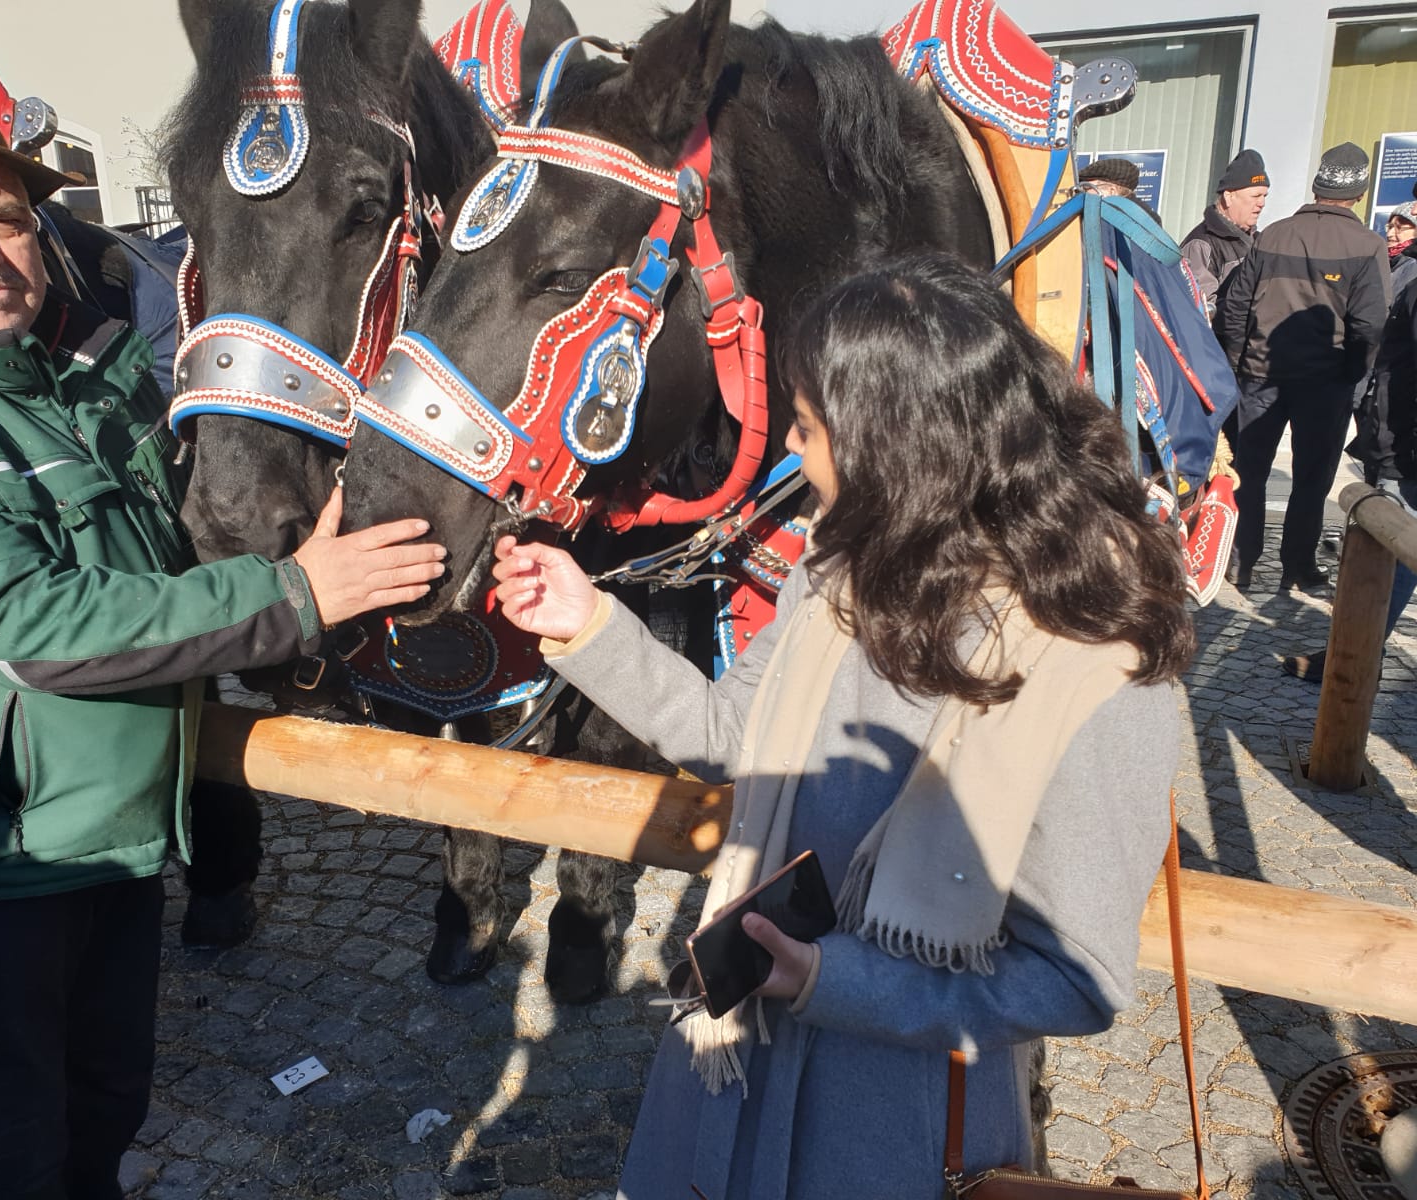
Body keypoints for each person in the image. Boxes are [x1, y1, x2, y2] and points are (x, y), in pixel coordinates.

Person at [0, 72, 447, 1199]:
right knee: (5, 1157)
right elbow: (34, 625)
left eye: (6, 216)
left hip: (113, 840)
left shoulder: (75, 377)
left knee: (103, 1117)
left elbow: (185, 537)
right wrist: (302, 593)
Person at [491, 255, 1194, 1200]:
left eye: (811, 426)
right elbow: (735, 735)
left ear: (901, 444)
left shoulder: (1099, 661)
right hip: (725, 1081)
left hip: (891, 1126)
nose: (791, 443)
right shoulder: (840, 570)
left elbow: (1076, 977)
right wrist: (587, 625)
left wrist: (834, 981)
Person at [1217, 141, 1392, 593]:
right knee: (1312, 480)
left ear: (1317, 186)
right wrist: (1351, 373)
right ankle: (1297, 566)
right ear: (1359, 193)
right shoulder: (1368, 245)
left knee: (1248, 475)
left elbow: (1234, 307)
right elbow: (1370, 324)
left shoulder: (1272, 234)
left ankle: (1241, 562)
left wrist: (1240, 362)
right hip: (1325, 384)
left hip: (1259, 376)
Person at [1285, 201, 1417, 681]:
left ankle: (1353, 660)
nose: (1399, 225)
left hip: (1405, 448)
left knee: (1395, 550)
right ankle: (1356, 654)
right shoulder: (1399, 266)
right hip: (1392, 437)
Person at [1181, 148, 1270, 318]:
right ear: (1229, 197)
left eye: (1265, 195)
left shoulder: (1257, 241)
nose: (1262, 203)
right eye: (1255, 195)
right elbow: (1203, 309)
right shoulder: (1201, 244)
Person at [1077, 155, 1161, 225]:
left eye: (1086, 187)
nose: (1083, 192)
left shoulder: (1110, 218)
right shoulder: (1147, 216)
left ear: (1111, 191)